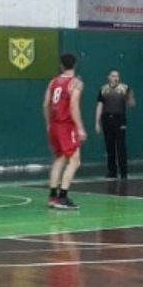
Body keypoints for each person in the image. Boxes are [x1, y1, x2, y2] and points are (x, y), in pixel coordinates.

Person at [45, 54, 87, 210]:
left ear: (61, 66)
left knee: (60, 159)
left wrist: (48, 124)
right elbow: (73, 106)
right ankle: (62, 197)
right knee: (75, 161)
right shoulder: (76, 83)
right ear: (75, 64)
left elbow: (46, 104)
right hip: (66, 125)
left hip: (54, 124)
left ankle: (52, 196)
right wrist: (80, 127)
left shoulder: (53, 82)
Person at [94, 69, 135, 179]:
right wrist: (97, 122)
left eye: (117, 76)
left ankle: (123, 172)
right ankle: (112, 171)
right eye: (113, 76)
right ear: (109, 77)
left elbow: (131, 105)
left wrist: (130, 97)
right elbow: (99, 106)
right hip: (107, 120)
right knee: (109, 146)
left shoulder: (125, 88)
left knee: (121, 146)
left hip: (119, 120)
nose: (115, 78)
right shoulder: (103, 89)